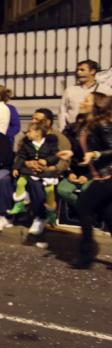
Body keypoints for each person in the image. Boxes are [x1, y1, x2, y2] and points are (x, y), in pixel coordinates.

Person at [70, 92, 112, 269]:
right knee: (109, 214)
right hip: (100, 176)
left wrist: (95, 154)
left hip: (108, 176)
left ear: (96, 105)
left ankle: (86, 255)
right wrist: (72, 154)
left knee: (83, 206)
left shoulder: (103, 124)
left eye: (87, 100)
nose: (82, 102)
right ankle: (86, 254)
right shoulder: (87, 124)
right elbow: (87, 149)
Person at [9, 121, 60, 233]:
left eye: (29, 131)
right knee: (22, 183)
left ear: (38, 133)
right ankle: (21, 203)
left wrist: (46, 161)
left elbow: (55, 156)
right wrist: (16, 167)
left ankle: (50, 213)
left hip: (46, 173)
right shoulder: (26, 144)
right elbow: (21, 156)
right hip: (30, 172)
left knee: (49, 191)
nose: (27, 133)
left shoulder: (50, 143)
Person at [59, 59, 112, 131]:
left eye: (82, 70)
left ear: (92, 71)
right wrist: (62, 129)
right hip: (73, 131)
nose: (78, 72)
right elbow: (62, 111)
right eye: (77, 70)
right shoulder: (70, 90)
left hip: (96, 132)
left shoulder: (105, 90)